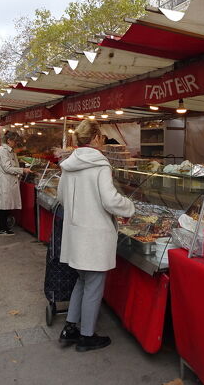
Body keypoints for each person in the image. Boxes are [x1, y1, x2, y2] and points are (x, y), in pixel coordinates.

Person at [57, 120, 135, 352]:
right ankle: (87, 335)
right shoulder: (100, 165)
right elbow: (110, 200)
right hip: (94, 235)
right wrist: (129, 207)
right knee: (94, 285)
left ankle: (70, 327)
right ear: (97, 138)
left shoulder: (68, 165)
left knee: (82, 280)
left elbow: (61, 197)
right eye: (101, 136)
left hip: (75, 233)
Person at [0, 131, 30, 236]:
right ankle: (2, 228)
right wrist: (22, 170)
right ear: (9, 140)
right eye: (14, 141)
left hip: (9, 181)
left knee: (7, 204)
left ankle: (5, 227)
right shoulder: (3, 151)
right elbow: (7, 168)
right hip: (4, 181)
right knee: (3, 205)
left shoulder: (10, 151)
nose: (15, 144)